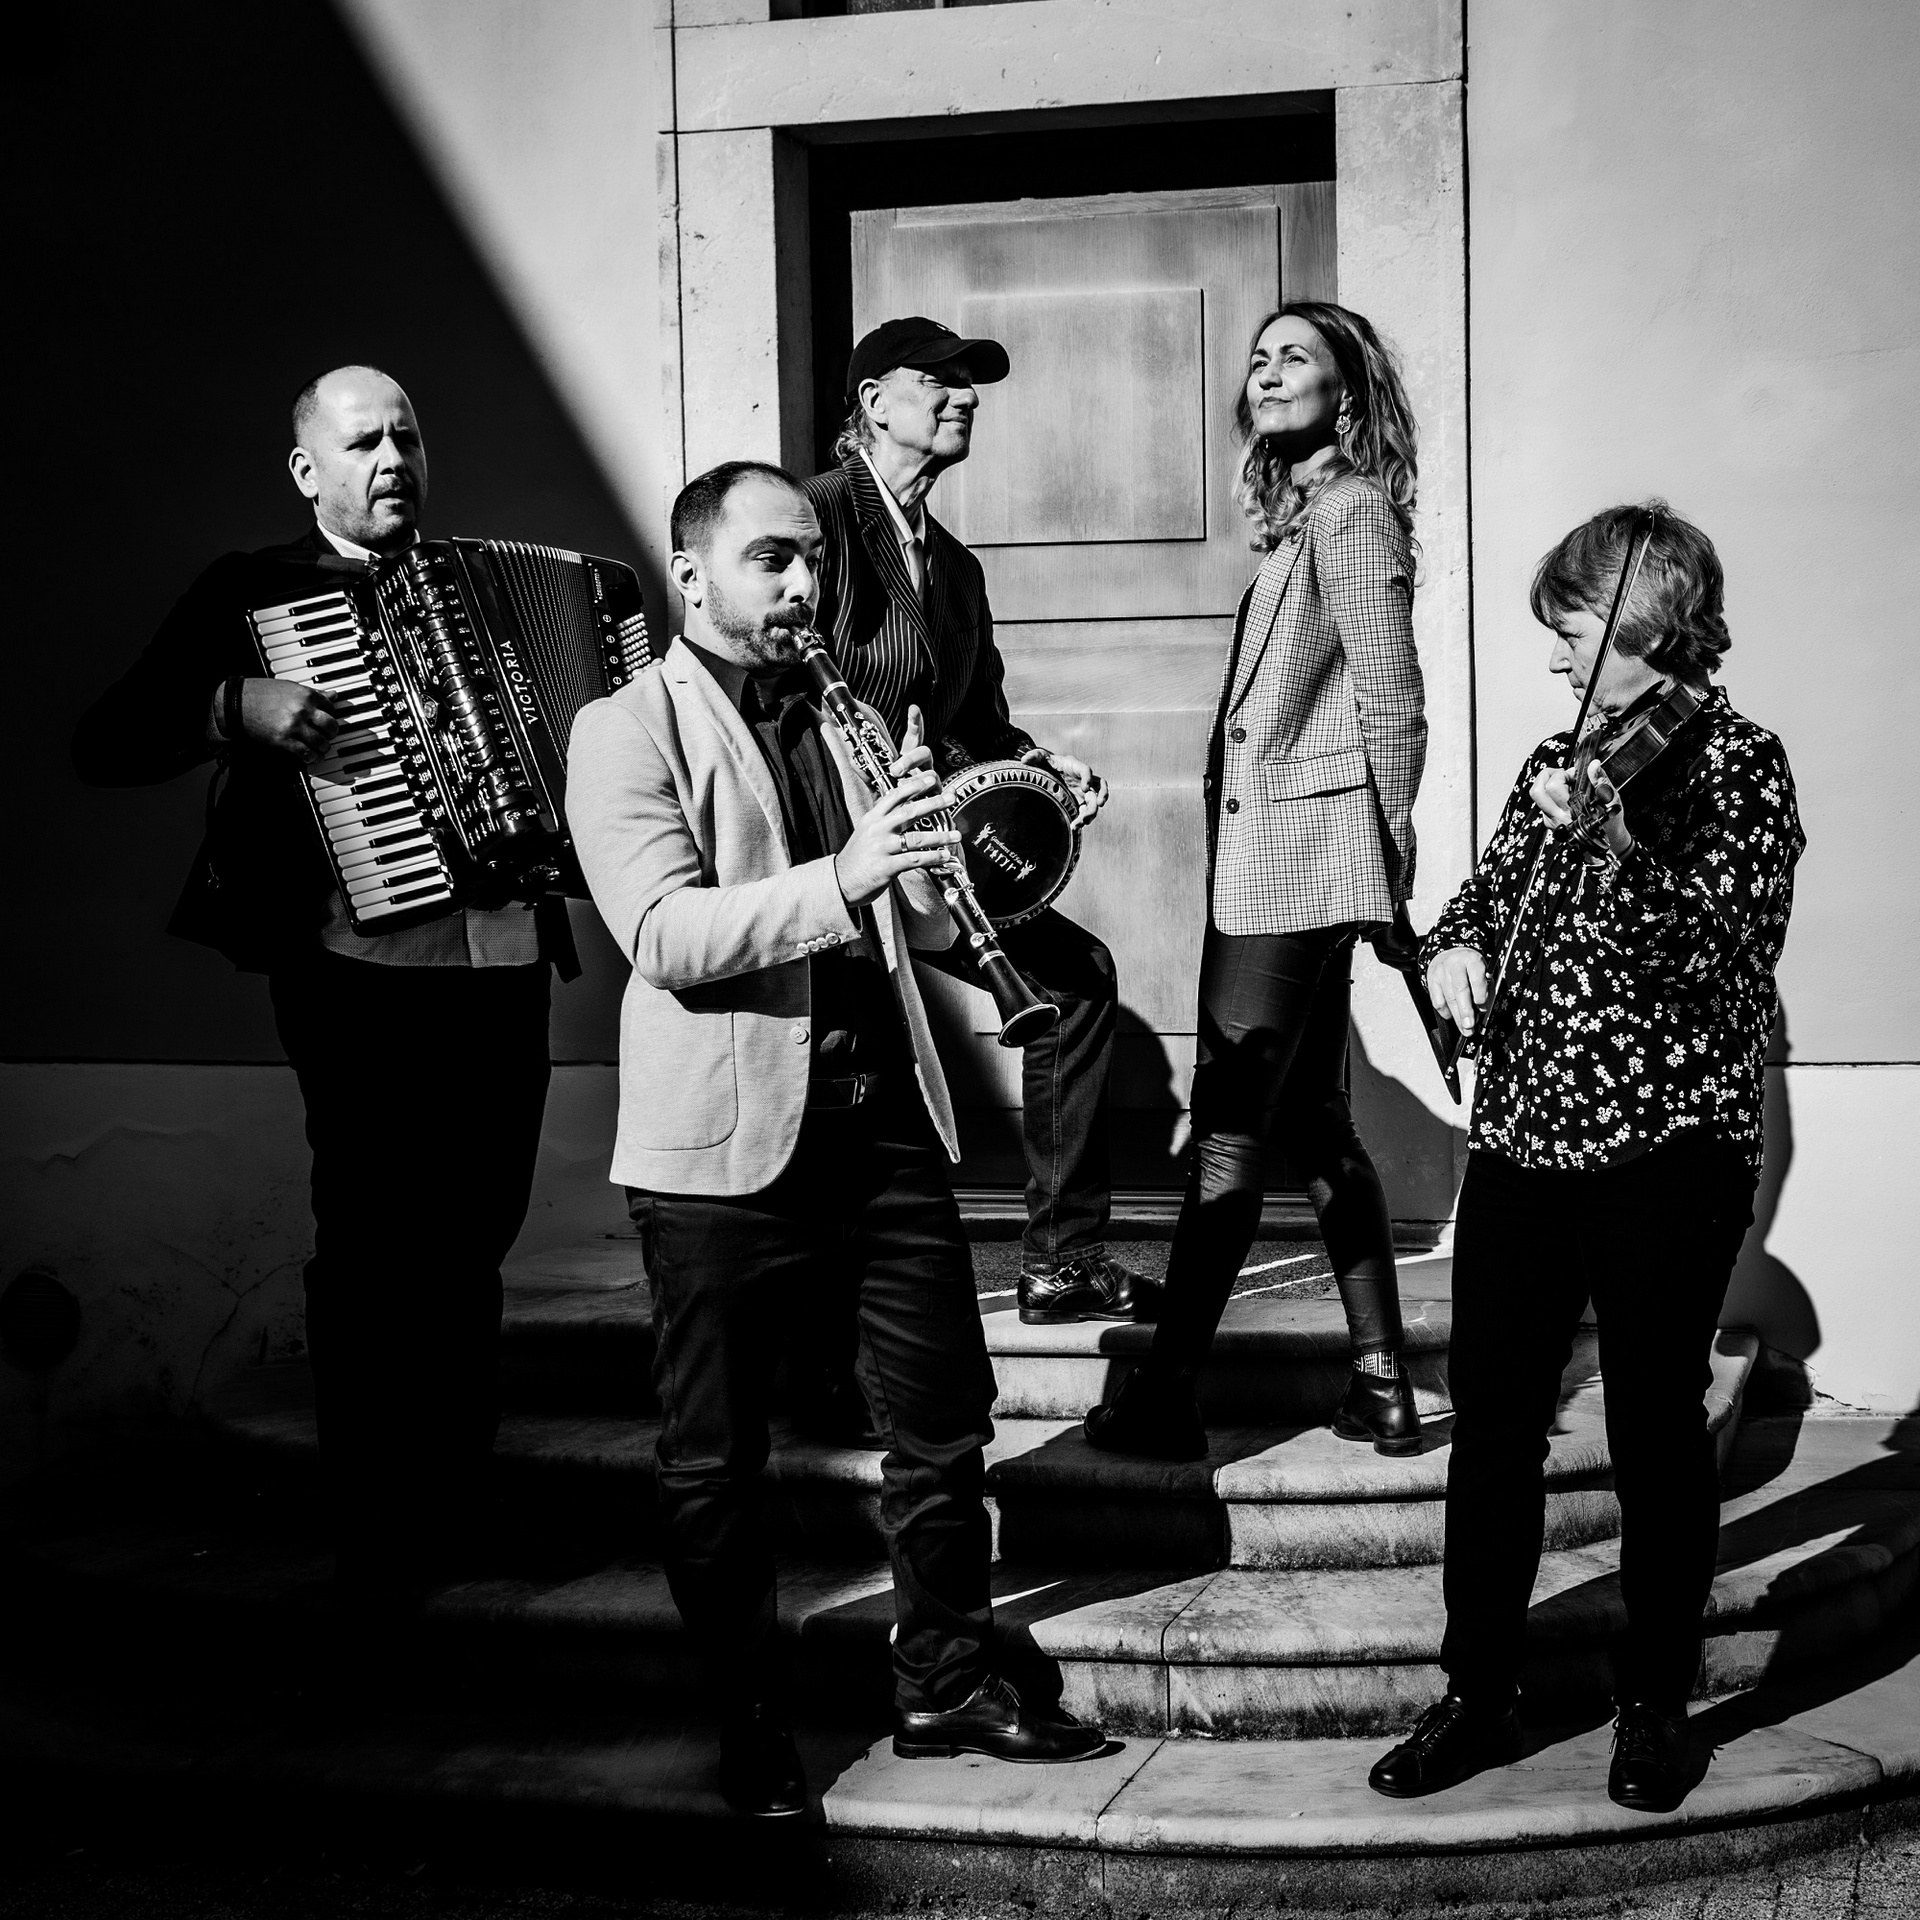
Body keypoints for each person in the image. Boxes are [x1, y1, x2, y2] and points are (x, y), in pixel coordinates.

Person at [565, 459, 1106, 1818]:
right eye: (772, 559)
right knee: (715, 1456)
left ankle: (945, 1680)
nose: (805, 582)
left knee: (943, 1420)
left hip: (881, 1123)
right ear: (693, 573)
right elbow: (663, 934)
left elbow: (917, 920)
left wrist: (974, 834)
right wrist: (846, 872)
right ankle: (749, 1716)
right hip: (724, 1149)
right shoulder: (625, 728)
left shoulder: (845, 709)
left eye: (812, 556)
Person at [71, 366, 571, 1610]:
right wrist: (230, 704)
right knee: (373, 1246)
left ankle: (460, 1500)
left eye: (407, 435)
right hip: (356, 972)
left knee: (473, 1238)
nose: (393, 458)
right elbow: (106, 739)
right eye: (362, 443)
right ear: (308, 471)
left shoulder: (491, 586)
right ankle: (380, 1529)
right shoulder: (252, 591)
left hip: (501, 960)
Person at [1368, 502, 1803, 1813]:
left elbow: (1718, 955)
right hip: (1526, 1142)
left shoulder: (1740, 769)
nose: (1555, 655)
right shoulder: (1556, 761)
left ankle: (1655, 1704)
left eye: (1570, 628)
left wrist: (1617, 839)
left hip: (1669, 1146)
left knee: (1655, 1427)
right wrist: (1451, 949)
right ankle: (1477, 1694)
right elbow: (1480, 902)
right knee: (1493, 1426)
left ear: (1646, 622)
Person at [1082, 301, 1429, 1463]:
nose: (1270, 373)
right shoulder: (1306, 521)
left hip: (1298, 868)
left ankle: (1167, 1393)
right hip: (1287, 860)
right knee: (1316, 1123)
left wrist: (1386, 870)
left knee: (1228, 1135)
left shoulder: (1353, 511)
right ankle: (1381, 1383)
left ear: (1349, 391)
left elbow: (1393, 698)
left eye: (1298, 358)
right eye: (1261, 359)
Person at [805, 318, 1155, 1328]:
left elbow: (975, 723)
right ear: (875, 403)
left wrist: (1037, 769)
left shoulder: (954, 566)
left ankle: (1060, 1263)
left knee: (1076, 982)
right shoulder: (815, 517)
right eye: (939, 378)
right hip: (828, 848)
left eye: (972, 382)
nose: (963, 395)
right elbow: (772, 676)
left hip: (928, 850)